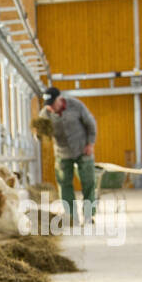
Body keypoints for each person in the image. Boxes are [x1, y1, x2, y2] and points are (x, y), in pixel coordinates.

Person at [41, 86, 97, 224]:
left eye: (53, 104)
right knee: (64, 183)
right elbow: (41, 133)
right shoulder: (45, 114)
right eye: (48, 106)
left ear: (60, 99)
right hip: (62, 152)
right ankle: (72, 217)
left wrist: (90, 144)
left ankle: (89, 215)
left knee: (88, 181)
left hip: (83, 148)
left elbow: (91, 124)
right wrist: (38, 133)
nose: (51, 108)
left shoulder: (76, 106)